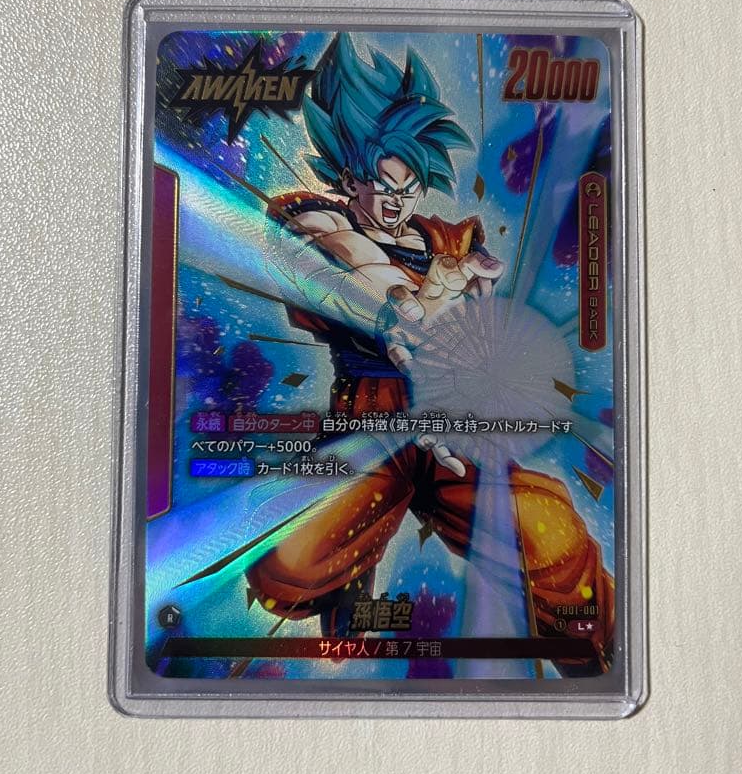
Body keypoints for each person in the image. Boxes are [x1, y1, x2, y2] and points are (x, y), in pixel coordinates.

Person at [247, 33, 614, 674]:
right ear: (349, 174)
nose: (398, 203)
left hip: (453, 423)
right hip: (369, 424)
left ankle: (594, 662)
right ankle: (346, 592)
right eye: (384, 185)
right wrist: (417, 300)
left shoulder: (451, 238)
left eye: (412, 187)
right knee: (291, 567)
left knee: (554, 540)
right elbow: (361, 268)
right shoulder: (312, 217)